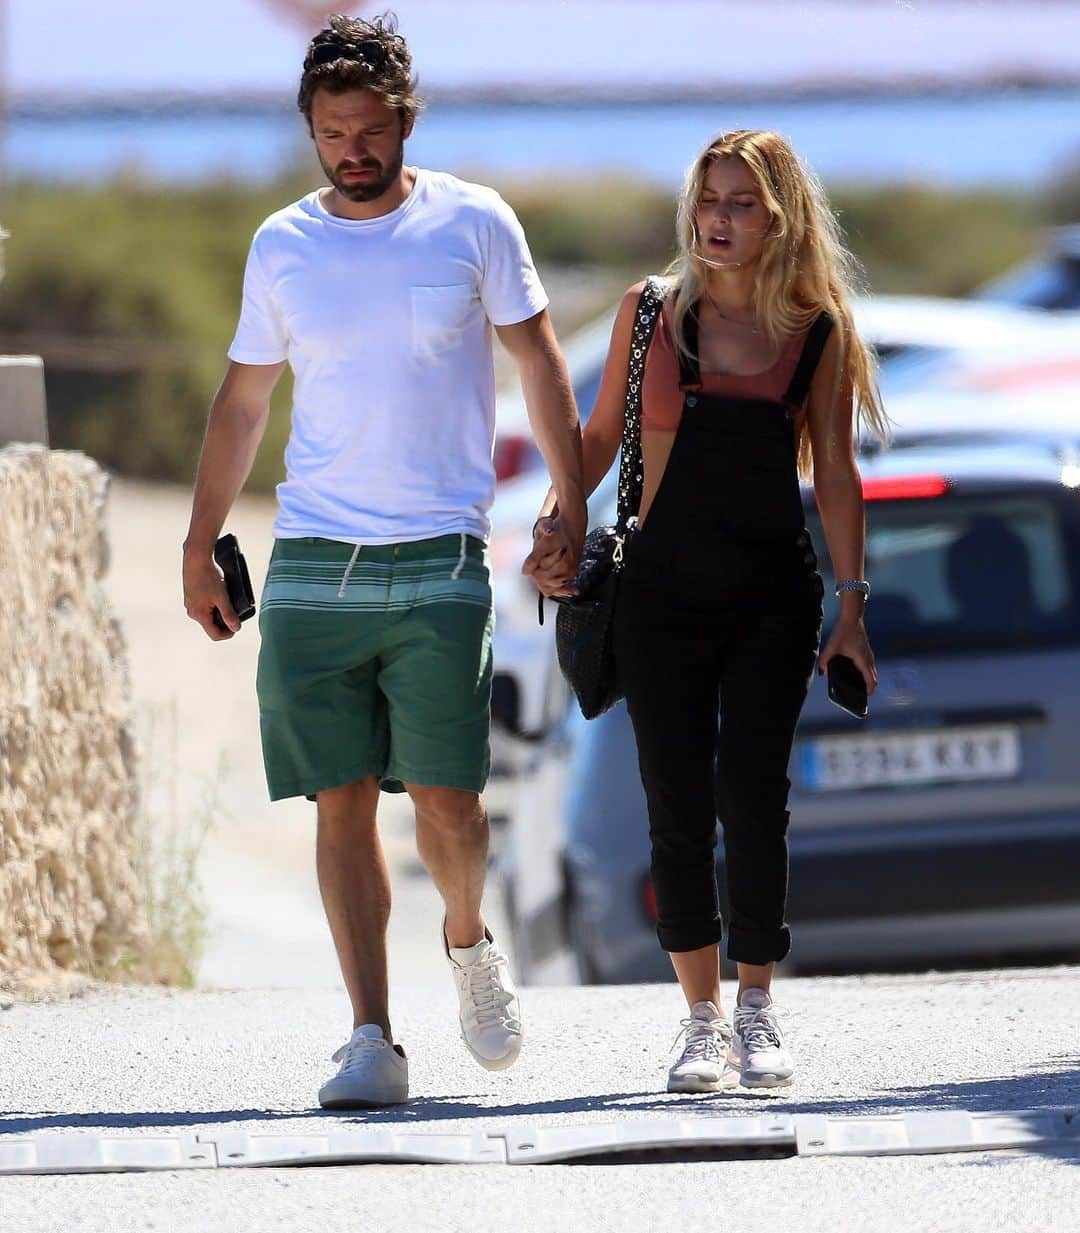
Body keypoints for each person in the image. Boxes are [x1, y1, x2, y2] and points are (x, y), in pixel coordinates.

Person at [182, 12, 586, 1109]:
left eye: (369, 129)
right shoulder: (284, 245)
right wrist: (196, 538)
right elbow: (243, 403)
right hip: (315, 554)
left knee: (450, 801)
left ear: (406, 119)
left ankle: (468, 944)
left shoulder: (475, 224)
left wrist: (571, 500)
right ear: (310, 131)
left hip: (444, 554)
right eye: (331, 131)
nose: (352, 149)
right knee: (340, 798)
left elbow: (544, 367)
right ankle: (370, 1035)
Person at [526, 130, 886, 1093]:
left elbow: (839, 477)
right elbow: (597, 440)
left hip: (773, 597)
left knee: (752, 801)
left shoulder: (814, 332)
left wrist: (850, 607)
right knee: (676, 809)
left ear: (781, 219)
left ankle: (759, 1007)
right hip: (658, 599)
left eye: (739, 204)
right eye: (707, 201)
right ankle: (699, 1020)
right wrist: (559, 521)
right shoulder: (648, 315)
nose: (717, 221)